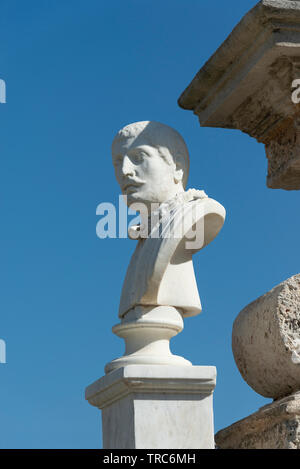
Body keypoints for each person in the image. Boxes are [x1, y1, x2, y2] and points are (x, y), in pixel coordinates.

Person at [111, 121, 225, 319]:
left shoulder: (196, 211)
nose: (124, 171)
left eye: (138, 157)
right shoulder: (146, 231)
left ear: (177, 167)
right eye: (118, 162)